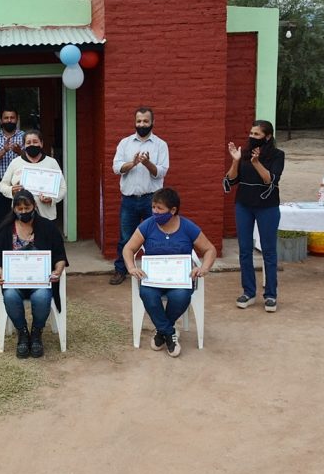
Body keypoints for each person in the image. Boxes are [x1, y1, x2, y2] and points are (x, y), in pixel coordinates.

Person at [122, 188, 217, 357]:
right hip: (153, 280)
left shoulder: (187, 227)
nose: (155, 212)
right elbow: (128, 248)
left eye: (160, 208)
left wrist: (203, 268)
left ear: (173, 210)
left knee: (180, 296)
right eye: (153, 207)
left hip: (180, 280)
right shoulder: (148, 225)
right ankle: (168, 332)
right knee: (147, 294)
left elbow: (210, 249)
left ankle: (161, 333)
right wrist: (131, 267)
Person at [0, 190, 68, 359]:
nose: (24, 211)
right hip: (14, 282)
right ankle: (22, 333)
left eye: (27, 207)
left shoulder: (48, 227)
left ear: (34, 206)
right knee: (10, 296)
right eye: (19, 208)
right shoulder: (5, 229)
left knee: (41, 297)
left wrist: (58, 270)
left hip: (40, 282)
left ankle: (36, 333)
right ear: (14, 209)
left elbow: (60, 255)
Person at [225, 120, 285, 312]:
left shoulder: (277, 155)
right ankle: (248, 292)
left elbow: (270, 180)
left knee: (268, 251)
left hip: (267, 206)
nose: (252, 137)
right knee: (244, 250)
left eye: (257, 134)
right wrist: (235, 160)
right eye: (251, 133)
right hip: (244, 205)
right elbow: (232, 179)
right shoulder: (243, 153)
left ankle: (270, 295)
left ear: (267, 137)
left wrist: (257, 163)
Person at [109, 107, 170, 285]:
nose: (141, 124)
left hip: (153, 200)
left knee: (155, 236)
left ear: (152, 122)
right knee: (126, 237)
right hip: (129, 199)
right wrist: (133, 163)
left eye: (145, 121)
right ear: (134, 122)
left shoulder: (160, 145)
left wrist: (148, 163)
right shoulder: (125, 143)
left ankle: (156, 271)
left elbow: (161, 172)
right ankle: (121, 270)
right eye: (139, 121)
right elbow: (116, 168)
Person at [0, 129, 67, 220]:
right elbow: (2, 185)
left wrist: (52, 199)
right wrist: (11, 190)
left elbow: (62, 188)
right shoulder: (16, 162)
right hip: (21, 214)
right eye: (28, 142)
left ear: (41, 144)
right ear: (24, 145)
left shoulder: (51, 162)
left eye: (35, 142)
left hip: (46, 215)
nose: (32, 145)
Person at [0, 108, 25, 233]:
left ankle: (18, 246)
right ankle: (0, 248)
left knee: (21, 214)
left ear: (16, 119)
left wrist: (20, 152)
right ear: (1, 120)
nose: (9, 120)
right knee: (0, 217)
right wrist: (4, 150)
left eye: (12, 118)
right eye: (6, 118)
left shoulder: (24, 136)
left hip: (20, 184)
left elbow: (31, 158)